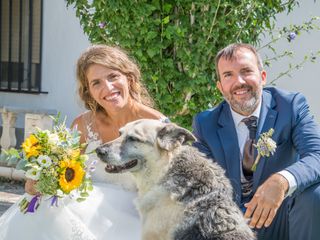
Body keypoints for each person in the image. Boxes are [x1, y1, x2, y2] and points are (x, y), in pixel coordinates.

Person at [0, 45, 165, 240]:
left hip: (130, 218)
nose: (108, 87)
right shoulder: (83, 125)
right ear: (89, 92)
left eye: (113, 76)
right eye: (96, 83)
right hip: (80, 207)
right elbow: (63, 172)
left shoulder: (156, 126)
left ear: (128, 77)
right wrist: (41, 181)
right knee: (43, 207)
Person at [192, 43, 320, 240]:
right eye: (228, 75)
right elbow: (203, 186)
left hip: (284, 217)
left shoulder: (291, 106)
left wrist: (282, 180)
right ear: (220, 87)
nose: (239, 81)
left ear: (262, 76)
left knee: (314, 195)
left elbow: (316, 155)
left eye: (246, 71)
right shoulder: (205, 123)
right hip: (234, 222)